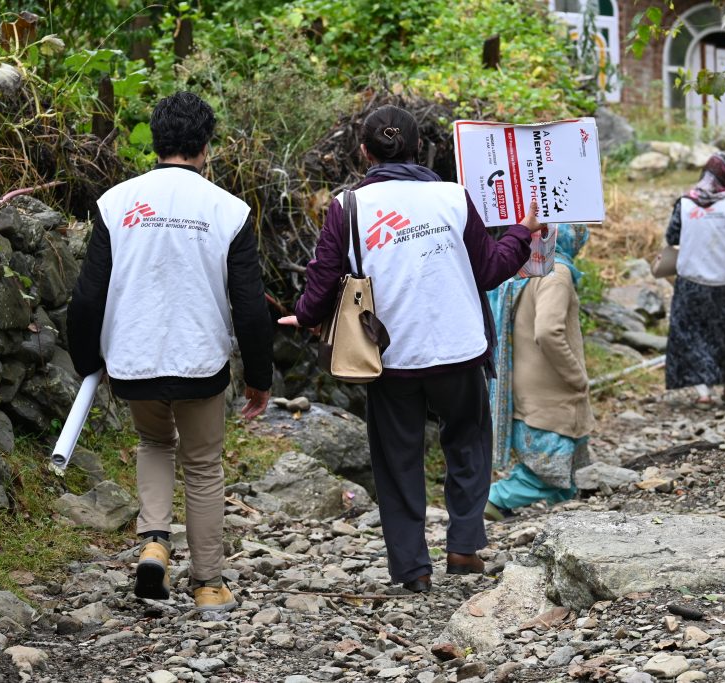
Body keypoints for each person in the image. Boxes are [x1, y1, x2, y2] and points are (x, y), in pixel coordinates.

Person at [280, 105, 544, 593]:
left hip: (389, 357)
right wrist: (521, 232)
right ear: (420, 147)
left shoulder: (347, 207)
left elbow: (321, 280)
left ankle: (413, 570)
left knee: (397, 460)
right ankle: (464, 547)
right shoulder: (453, 197)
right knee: (467, 443)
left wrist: (306, 315)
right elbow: (488, 271)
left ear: (364, 152)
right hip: (459, 348)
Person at [67, 92, 273, 612]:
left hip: (133, 358)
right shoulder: (230, 211)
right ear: (206, 147)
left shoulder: (116, 203)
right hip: (200, 361)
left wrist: (87, 359)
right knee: (202, 464)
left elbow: (88, 294)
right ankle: (207, 583)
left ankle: (154, 541)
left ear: (156, 143)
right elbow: (249, 306)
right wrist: (260, 374)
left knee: (153, 443)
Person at [485, 224, 595, 520]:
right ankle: (495, 498)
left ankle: (565, 504)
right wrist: (576, 375)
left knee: (562, 453)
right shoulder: (557, 273)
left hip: (525, 380)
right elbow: (548, 331)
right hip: (550, 385)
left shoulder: (527, 268)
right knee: (550, 460)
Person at [664, 151, 725, 407]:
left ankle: (704, 393)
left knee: (693, 333)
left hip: (692, 280)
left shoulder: (685, 203)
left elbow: (672, 237)